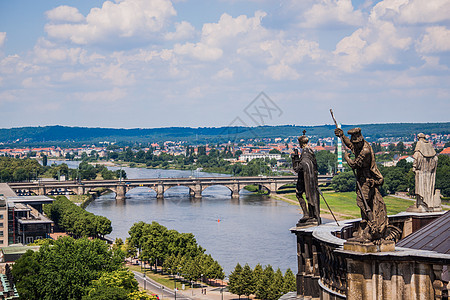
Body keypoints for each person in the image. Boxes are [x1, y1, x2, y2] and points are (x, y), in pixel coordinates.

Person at [334, 127, 387, 241]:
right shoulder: (360, 145)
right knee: (364, 201)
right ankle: (364, 226)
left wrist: (346, 158)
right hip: (361, 178)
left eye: (355, 142)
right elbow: (350, 145)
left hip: (367, 179)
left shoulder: (365, 151)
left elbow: (354, 165)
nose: (354, 145)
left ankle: (370, 226)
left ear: (360, 140)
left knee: (363, 201)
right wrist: (342, 136)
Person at [291, 131, 321, 225]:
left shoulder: (304, 153)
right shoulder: (311, 152)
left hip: (305, 179)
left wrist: (294, 158)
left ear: (301, 143)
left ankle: (306, 214)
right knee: (310, 196)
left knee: (299, 194)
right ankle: (311, 215)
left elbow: (298, 168)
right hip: (311, 178)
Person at [413, 133, 439, 210]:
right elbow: (435, 159)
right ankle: (428, 203)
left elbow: (416, 158)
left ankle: (421, 203)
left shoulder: (419, 145)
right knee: (428, 188)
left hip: (421, 173)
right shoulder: (430, 147)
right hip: (429, 173)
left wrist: (414, 167)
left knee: (421, 187)